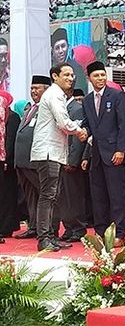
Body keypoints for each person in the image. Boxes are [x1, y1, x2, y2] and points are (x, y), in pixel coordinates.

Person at [30, 64, 87, 252]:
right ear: (55, 76)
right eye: (66, 75)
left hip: (54, 152)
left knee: (53, 196)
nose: (71, 78)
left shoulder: (58, 95)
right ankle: (44, 237)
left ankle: (51, 236)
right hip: (48, 152)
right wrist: (79, 131)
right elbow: (63, 122)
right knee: (48, 195)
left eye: (72, 75)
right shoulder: (54, 94)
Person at [81, 61, 125, 245]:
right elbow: (87, 123)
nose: (101, 78)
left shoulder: (117, 95)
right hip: (96, 154)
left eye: (103, 75)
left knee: (116, 195)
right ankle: (101, 232)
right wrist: (83, 132)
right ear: (89, 78)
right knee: (98, 195)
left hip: (113, 153)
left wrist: (121, 150)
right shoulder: (87, 100)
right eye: (96, 76)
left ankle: (119, 233)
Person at [14, 75, 50, 240]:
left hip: (36, 160)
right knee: (30, 196)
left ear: (46, 89)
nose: (33, 91)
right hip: (22, 161)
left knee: (44, 195)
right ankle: (33, 226)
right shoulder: (31, 109)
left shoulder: (46, 108)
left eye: (37, 88)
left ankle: (48, 230)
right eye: (32, 88)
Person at [58, 85, 88, 243]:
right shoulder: (61, 108)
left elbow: (77, 137)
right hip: (60, 158)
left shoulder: (76, 109)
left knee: (74, 195)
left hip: (70, 160)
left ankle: (78, 228)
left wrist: (73, 160)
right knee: (64, 196)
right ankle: (69, 227)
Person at [0, 90, 19, 240]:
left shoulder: (12, 117)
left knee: (7, 196)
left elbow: (10, 141)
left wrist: (6, 159)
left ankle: (7, 226)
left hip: (8, 162)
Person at [50, 28, 87, 92]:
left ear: (68, 46)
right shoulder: (49, 67)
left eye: (63, 46)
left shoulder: (77, 69)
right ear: (52, 51)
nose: (61, 51)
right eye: (57, 48)